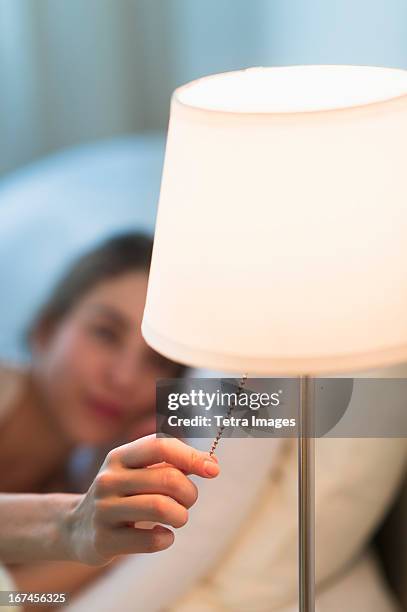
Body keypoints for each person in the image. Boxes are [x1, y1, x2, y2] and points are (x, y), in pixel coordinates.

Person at [0, 232, 220, 604]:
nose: (123, 378)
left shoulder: (72, 484)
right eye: (105, 333)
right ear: (45, 331)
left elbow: (14, 600)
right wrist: (70, 524)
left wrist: (115, 541)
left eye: (157, 361)